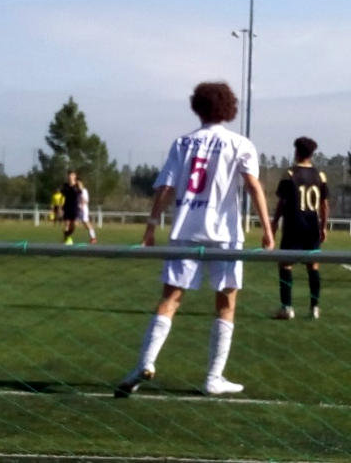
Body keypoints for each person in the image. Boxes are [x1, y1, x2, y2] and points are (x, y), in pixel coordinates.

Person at [115, 82, 274, 398]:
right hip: (225, 235)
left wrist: (150, 226)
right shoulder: (240, 143)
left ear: (197, 107)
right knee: (226, 303)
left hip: (185, 230)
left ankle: (144, 363)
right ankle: (213, 378)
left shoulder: (182, 143)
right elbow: (253, 186)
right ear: (229, 108)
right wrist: (267, 228)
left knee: (170, 298)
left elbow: (165, 188)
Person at [270, 137, 329, 320]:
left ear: (296, 152)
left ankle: (287, 307)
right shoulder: (320, 176)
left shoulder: (289, 174)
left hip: (293, 226)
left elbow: (282, 202)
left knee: (285, 264)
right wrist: (323, 227)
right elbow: (324, 204)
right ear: (311, 154)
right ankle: (314, 308)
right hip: (312, 227)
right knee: (313, 266)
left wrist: (274, 222)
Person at [59, 171, 81, 244]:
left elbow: (80, 194)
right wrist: (60, 208)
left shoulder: (78, 185)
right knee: (67, 224)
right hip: (67, 207)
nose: (70, 176)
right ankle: (66, 239)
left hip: (75, 207)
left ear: (75, 176)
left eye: (72, 175)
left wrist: (81, 204)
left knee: (74, 224)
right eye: (69, 175)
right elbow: (61, 197)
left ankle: (67, 236)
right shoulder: (65, 186)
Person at [76, 177, 98, 243]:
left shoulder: (84, 191)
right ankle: (93, 237)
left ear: (82, 183)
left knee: (86, 223)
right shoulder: (77, 191)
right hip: (78, 209)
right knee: (85, 224)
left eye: (79, 183)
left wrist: (81, 205)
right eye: (77, 183)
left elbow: (86, 200)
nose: (78, 185)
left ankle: (93, 238)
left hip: (84, 210)